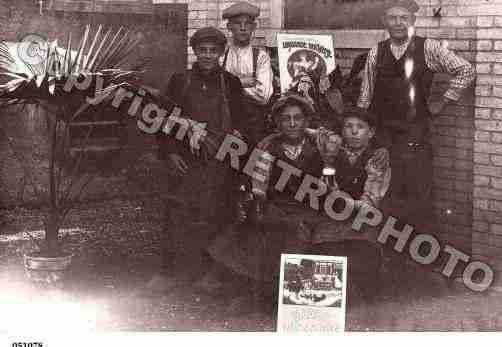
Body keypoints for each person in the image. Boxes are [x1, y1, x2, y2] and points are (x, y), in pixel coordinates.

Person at [143, 27, 246, 295]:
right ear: (195, 51)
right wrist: (171, 153)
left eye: (214, 51)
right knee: (176, 214)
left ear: (222, 53)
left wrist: (237, 137)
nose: (208, 56)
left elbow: (243, 121)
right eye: (203, 50)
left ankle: (210, 273)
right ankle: (167, 272)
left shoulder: (231, 83)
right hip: (185, 160)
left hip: (218, 162)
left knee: (218, 215)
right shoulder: (181, 80)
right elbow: (163, 120)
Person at [204, 93, 325, 312]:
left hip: (312, 207)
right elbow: (259, 184)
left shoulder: (321, 145)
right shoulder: (268, 147)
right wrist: (254, 201)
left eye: (298, 118)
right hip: (277, 206)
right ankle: (261, 295)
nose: (292, 124)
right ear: (277, 123)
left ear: (306, 121)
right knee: (265, 233)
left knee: (311, 236)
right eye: (286, 119)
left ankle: (302, 299)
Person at [357, 0, 475, 225]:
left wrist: (443, 101)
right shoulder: (376, 52)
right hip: (384, 137)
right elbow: (365, 96)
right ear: (384, 21)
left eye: (404, 17)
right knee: (385, 194)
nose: (398, 23)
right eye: (392, 17)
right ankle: (390, 254)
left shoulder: (428, 47)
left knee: (418, 198)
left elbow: (466, 70)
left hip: (416, 138)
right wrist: (364, 135)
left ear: (413, 20)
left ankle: (422, 256)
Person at [312, 107, 391, 300]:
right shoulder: (333, 152)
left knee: (363, 255)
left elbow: (371, 200)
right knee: (322, 250)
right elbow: (307, 130)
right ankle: (327, 301)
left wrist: (341, 201)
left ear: (371, 132)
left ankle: (366, 307)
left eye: (360, 127)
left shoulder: (377, 159)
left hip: (362, 219)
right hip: (332, 217)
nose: (354, 132)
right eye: (348, 127)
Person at [221, 1, 274, 146]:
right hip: (227, 125)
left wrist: (231, 85)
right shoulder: (221, 57)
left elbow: (263, 96)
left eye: (247, 23)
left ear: (254, 27)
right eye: (238, 23)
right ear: (229, 27)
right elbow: (218, 90)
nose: (243, 28)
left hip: (255, 128)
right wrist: (246, 82)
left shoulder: (261, 57)